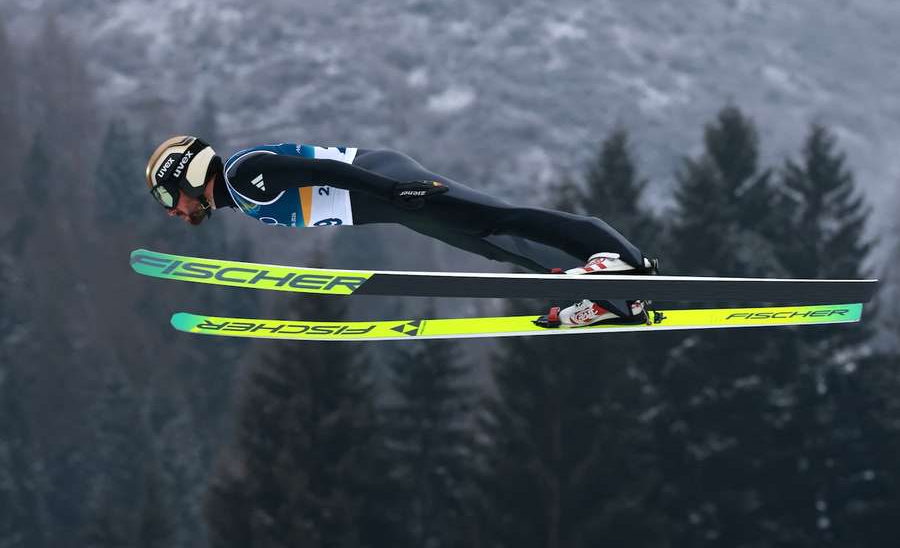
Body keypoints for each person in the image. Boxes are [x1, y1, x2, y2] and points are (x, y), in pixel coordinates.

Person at [145, 136, 657, 327]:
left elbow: (328, 173)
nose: (172, 210)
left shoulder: (243, 174)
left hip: (384, 181)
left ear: (188, 177)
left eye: (169, 197)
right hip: (387, 201)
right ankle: (604, 291)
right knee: (490, 243)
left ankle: (619, 257)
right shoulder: (239, 195)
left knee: (496, 218)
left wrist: (393, 191)